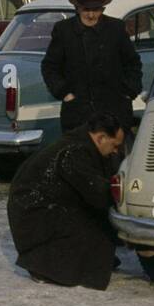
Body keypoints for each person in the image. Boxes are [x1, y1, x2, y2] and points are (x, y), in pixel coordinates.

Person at [7, 112, 126, 289]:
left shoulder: (79, 144)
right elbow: (97, 193)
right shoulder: (75, 152)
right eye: (114, 145)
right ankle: (46, 267)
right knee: (92, 224)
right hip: (35, 217)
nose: (116, 151)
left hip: (38, 208)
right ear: (101, 138)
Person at [41, 0, 142, 136]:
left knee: (114, 157)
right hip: (78, 112)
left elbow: (132, 63)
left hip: (114, 110)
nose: (91, 15)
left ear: (102, 9)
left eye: (95, 10)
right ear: (78, 8)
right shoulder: (64, 30)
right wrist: (65, 93)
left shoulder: (116, 28)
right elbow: (50, 67)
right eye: (86, 10)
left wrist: (128, 92)